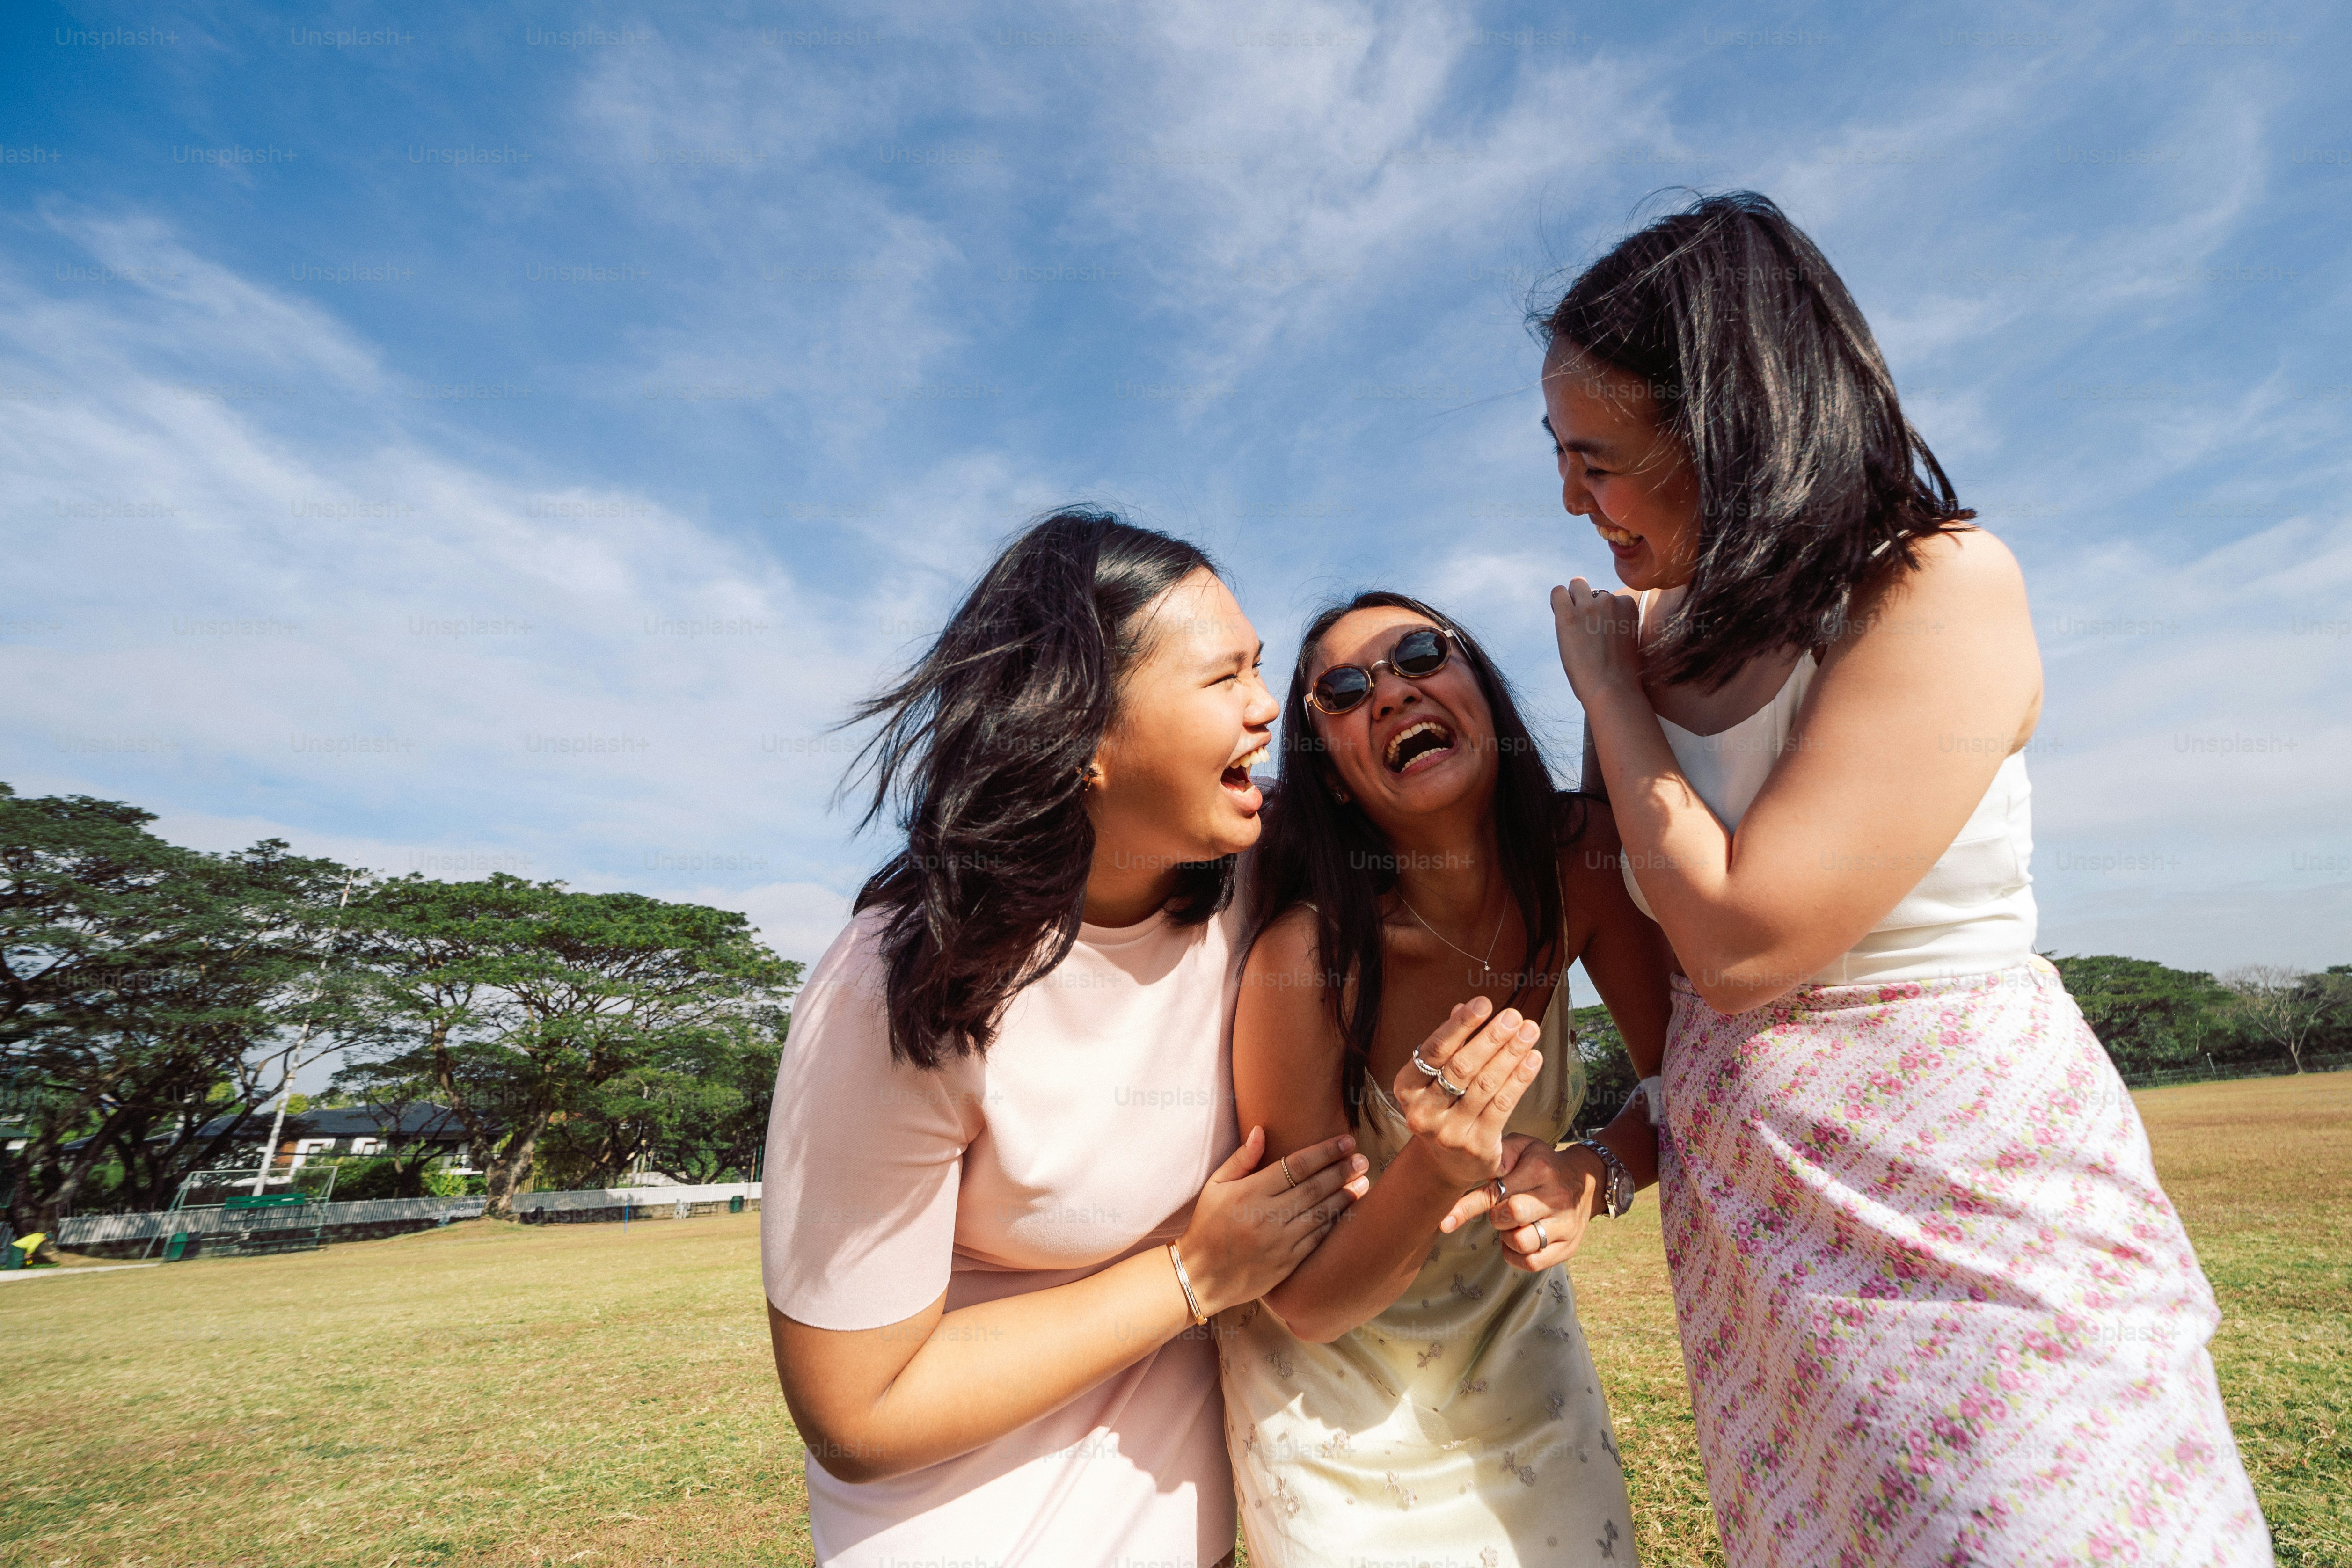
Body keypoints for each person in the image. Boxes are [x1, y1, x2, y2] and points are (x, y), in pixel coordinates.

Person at [1539, 192, 2270, 1565]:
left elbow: (1745, 946)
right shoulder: (1645, 643)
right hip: (1756, 1232)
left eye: (1597, 459)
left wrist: (1609, 694)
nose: (1570, 501)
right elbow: (1652, 973)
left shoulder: (1936, 586)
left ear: (1727, 427)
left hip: (1963, 1184)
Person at [761, 510, 1372, 1568]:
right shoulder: (901, 981)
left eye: (1261, 670)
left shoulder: (1256, 871)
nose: (1267, 709)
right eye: (1222, 678)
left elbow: (1487, 841)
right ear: (1082, 730)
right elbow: (853, 1412)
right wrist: (1192, 1274)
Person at [1221, 590, 1678, 1566]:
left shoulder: (1580, 864)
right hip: (1333, 1407)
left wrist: (1590, 1170)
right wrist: (1434, 1166)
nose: (1387, 692)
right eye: (1343, 691)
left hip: (1524, 1369)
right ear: (1336, 777)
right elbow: (1300, 1301)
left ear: (1479, 687)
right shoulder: (1309, 959)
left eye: (1417, 653)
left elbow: (1685, 1083)